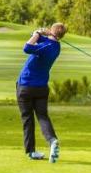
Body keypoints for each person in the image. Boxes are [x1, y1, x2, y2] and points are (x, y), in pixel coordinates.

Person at [17, 22, 65, 162]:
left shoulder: (45, 46)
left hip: (26, 85)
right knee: (43, 116)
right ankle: (52, 140)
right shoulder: (56, 46)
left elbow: (26, 48)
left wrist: (37, 33)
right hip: (42, 88)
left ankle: (31, 151)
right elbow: (41, 40)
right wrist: (39, 33)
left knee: (27, 119)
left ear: (52, 30)